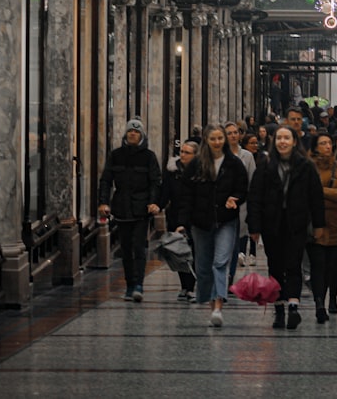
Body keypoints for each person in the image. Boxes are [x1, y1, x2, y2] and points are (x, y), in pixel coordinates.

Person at [247, 126, 326, 330]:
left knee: (293, 264)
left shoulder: (305, 166)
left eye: (287, 138)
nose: (283, 142)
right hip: (272, 223)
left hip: (296, 222)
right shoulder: (265, 167)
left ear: (293, 141)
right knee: (275, 266)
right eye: (279, 138)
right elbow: (255, 197)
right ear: (274, 141)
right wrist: (254, 226)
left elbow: (315, 197)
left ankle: (293, 305)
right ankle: (279, 308)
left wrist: (318, 224)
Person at [175, 124, 248, 328]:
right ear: (206, 141)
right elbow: (186, 195)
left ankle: (218, 306)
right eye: (213, 139)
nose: (217, 142)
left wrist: (236, 198)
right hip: (201, 221)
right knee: (204, 265)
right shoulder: (197, 164)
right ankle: (210, 304)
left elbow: (243, 187)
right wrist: (182, 222)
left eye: (220, 138)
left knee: (221, 262)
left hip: (226, 219)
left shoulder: (234, 164)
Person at [98, 118, 162, 303]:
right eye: (130, 132)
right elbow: (106, 180)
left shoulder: (149, 157)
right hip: (121, 208)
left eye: (136, 132)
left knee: (139, 247)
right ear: (126, 134)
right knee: (125, 248)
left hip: (141, 209)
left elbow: (155, 182)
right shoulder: (116, 155)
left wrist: (153, 202)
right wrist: (103, 202)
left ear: (141, 135)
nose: (133, 134)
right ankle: (129, 284)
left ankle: (139, 285)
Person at [308, 132, 337, 323]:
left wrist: (320, 191)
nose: (327, 146)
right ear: (316, 147)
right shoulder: (309, 167)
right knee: (318, 266)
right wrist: (334, 191)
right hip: (315, 224)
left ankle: (332, 298)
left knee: (333, 266)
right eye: (323, 143)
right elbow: (305, 192)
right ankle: (319, 302)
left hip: (336, 224)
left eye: (329, 143)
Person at [159, 140, 199, 301]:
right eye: (182, 151)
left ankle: (191, 286)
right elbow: (165, 192)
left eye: (187, 152)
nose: (182, 155)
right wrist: (157, 204)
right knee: (179, 251)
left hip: (195, 217)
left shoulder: (199, 172)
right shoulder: (172, 171)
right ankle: (184, 286)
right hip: (175, 216)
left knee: (194, 252)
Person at [225, 121, 257, 285]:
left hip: (242, 204)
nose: (232, 135)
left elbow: (252, 181)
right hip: (223, 205)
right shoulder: (219, 155)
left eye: (235, 132)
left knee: (236, 242)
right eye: (229, 133)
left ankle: (229, 278)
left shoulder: (247, 156)